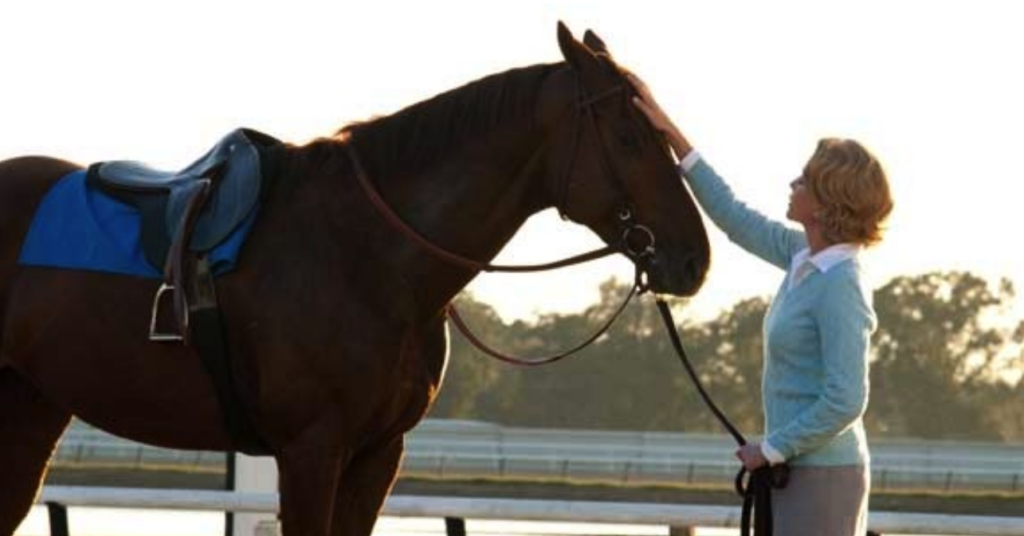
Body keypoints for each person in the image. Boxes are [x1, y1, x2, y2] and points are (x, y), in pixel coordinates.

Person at [629, 72, 893, 536]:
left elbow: (847, 398)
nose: (793, 184)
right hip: (795, 468)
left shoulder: (840, 284)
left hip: (823, 474)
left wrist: (772, 449)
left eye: (805, 181)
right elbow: (733, 217)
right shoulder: (802, 256)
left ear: (828, 199)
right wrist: (669, 132)